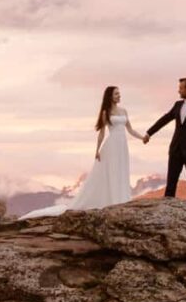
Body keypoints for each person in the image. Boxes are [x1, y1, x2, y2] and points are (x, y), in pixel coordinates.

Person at [50, 85, 147, 213]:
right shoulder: (106, 112)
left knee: (121, 169)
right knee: (112, 171)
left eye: (119, 93)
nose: (119, 96)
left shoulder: (124, 111)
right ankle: (113, 201)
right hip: (112, 146)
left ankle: (122, 200)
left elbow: (130, 129)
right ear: (110, 97)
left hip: (122, 146)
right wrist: (97, 150)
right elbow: (101, 133)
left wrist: (142, 138)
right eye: (116, 94)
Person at [146, 78, 186, 200]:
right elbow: (165, 119)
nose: (178, 91)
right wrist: (149, 133)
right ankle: (166, 209)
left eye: (181, 88)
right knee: (171, 181)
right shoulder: (178, 105)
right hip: (176, 148)